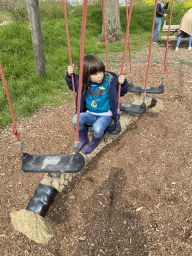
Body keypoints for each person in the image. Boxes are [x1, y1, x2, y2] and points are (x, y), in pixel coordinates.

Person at [65, 54, 129, 154]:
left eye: (101, 72)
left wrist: (123, 83)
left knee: (97, 128)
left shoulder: (110, 81)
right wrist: (69, 75)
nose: (100, 75)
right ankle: (83, 139)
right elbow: (72, 84)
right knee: (76, 119)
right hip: (90, 113)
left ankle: (94, 142)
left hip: (105, 115)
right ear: (87, 75)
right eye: (95, 74)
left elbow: (122, 91)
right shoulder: (83, 83)